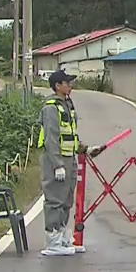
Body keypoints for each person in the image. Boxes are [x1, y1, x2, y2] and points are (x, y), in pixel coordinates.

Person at [37, 70, 103, 257]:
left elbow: (70, 136)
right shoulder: (51, 108)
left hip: (69, 158)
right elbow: (51, 138)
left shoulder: (67, 105)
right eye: (67, 83)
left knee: (66, 200)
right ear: (58, 86)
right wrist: (57, 164)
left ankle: (62, 236)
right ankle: (52, 240)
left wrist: (86, 149)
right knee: (55, 200)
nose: (70, 86)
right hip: (55, 160)